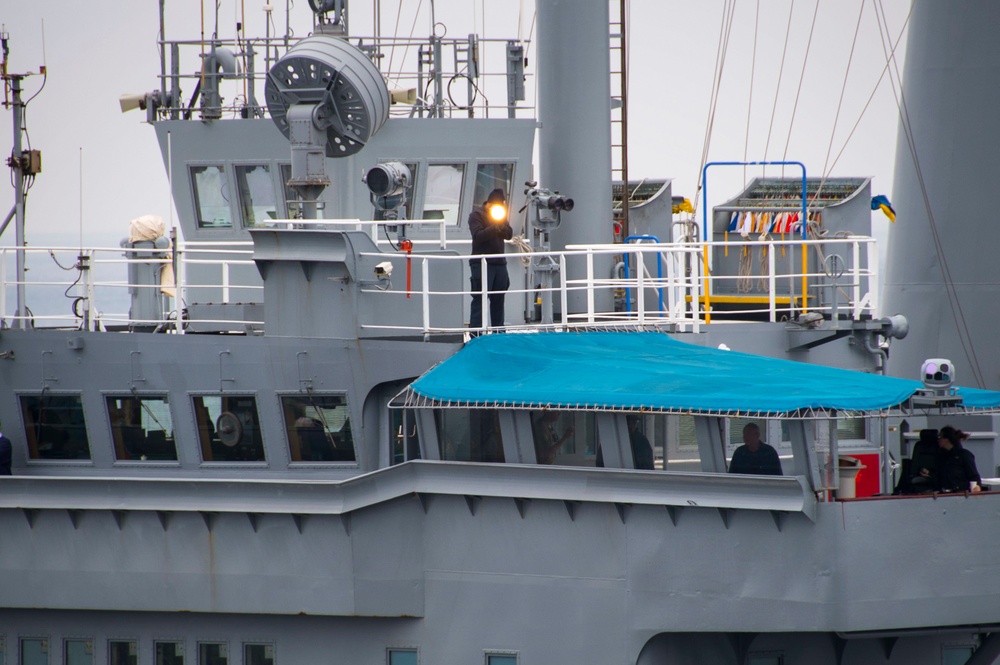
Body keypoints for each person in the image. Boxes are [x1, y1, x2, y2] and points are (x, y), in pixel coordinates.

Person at [468, 188, 513, 331]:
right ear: (489, 203)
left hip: (499, 264)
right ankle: (476, 333)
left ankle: (498, 332)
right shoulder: (476, 215)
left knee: (498, 299)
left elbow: (509, 235)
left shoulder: (501, 215)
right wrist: (494, 227)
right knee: (479, 299)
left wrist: (502, 226)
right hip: (481, 264)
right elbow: (478, 236)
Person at [936, 425, 982, 493]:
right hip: (944, 493)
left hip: (961, 493)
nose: (938, 440)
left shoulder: (964, 455)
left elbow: (974, 475)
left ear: (947, 439)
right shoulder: (941, 456)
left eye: (940, 437)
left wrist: (977, 486)